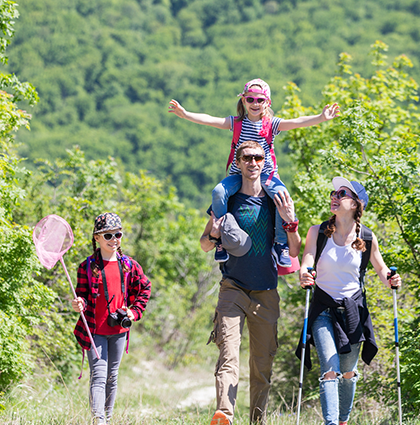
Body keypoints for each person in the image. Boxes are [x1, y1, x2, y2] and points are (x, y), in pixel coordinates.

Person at [170, 78, 338, 267]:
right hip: (237, 173)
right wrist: (185, 114)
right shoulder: (236, 123)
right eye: (250, 100)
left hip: (265, 175)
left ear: (267, 102)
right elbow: (210, 120)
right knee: (218, 192)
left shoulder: (271, 124)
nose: (255, 104)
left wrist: (321, 118)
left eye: (260, 100)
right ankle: (220, 240)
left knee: (282, 197)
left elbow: (296, 122)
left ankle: (280, 244)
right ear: (243, 101)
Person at [200, 141, 302, 425]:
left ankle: (257, 420)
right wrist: (214, 235)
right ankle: (225, 415)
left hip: (266, 292)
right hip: (232, 287)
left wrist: (290, 222)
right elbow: (204, 245)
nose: (253, 162)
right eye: (247, 158)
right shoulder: (227, 199)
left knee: (261, 365)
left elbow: (294, 251)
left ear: (264, 161)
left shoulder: (276, 199)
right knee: (228, 355)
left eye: (258, 157)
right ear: (239, 161)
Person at [297, 177, 401, 425]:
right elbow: (306, 262)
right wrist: (304, 274)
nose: (334, 196)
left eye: (341, 193)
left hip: (354, 311)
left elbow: (382, 270)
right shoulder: (318, 232)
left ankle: (343, 421)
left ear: (356, 204)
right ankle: (331, 423)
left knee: (347, 374)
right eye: (333, 192)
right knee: (330, 369)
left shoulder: (367, 237)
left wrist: (392, 279)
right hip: (323, 309)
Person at [72, 212, 152, 425]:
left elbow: (145, 287)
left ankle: (107, 418)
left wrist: (134, 311)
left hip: (118, 331)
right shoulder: (86, 266)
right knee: (98, 376)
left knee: (111, 377)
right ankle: (99, 420)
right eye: (108, 235)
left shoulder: (129, 265)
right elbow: (83, 295)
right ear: (96, 238)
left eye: (118, 234)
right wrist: (80, 303)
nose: (114, 240)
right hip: (94, 330)